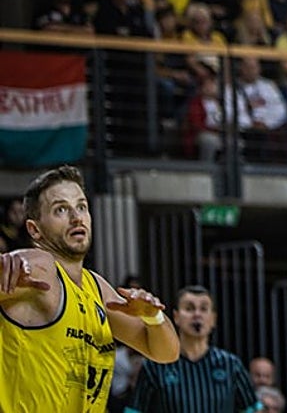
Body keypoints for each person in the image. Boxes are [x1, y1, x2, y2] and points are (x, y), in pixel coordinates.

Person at [0, 165, 180, 411]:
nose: (76, 217)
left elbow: (166, 353)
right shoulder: (40, 268)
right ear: (35, 230)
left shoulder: (96, 287)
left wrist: (153, 316)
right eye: (61, 209)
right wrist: (10, 263)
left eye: (81, 206)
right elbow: (20, 264)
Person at [123, 284, 259, 413]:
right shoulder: (155, 366)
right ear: (176, 317)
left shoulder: (231, 364)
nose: (197, 315)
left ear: (213, 319)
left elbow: (253, 409)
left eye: (204, 309)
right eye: (189, 308)